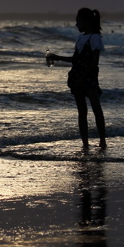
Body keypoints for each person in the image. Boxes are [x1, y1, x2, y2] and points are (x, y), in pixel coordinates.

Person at [46, 8, 107, 149]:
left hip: (89, 79)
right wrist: (57, 57)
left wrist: (83, 78)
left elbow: (94, 63)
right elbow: (76, 60)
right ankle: (85, 143)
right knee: (82, 112)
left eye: (78, 21)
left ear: (87, 22)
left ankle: (102, 141)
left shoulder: (95, 38)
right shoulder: (81, 38)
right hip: (76, 77)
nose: (76, 25)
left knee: (97, 109)